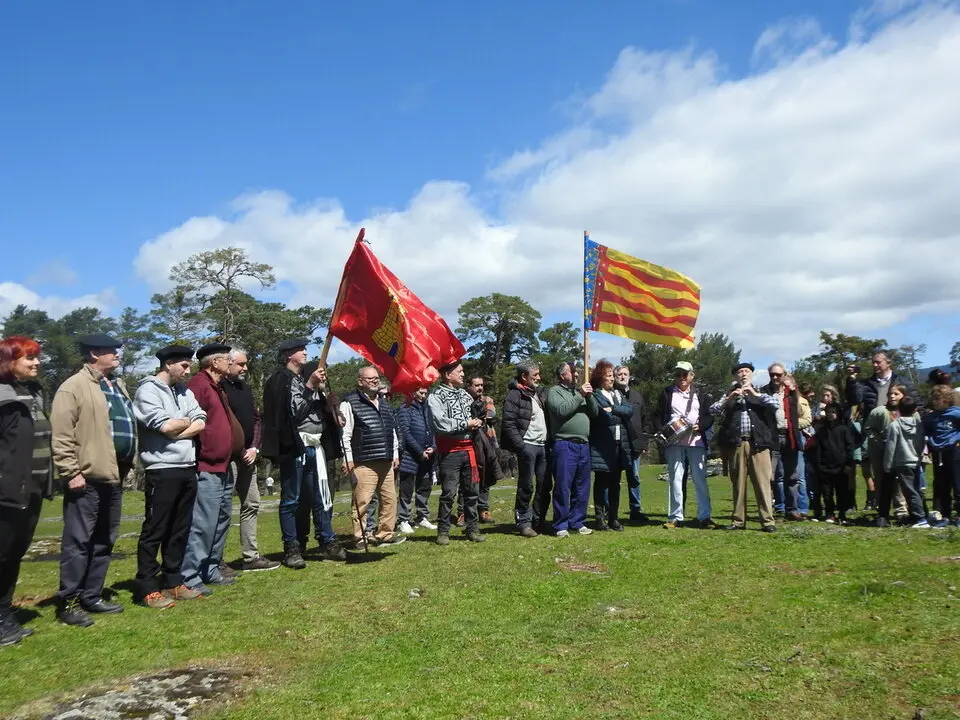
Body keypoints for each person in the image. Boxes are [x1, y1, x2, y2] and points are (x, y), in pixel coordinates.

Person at [50, 333, 136, 626]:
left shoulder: (115, 385)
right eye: (111, 351)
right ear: (92, 354)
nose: (117, 355)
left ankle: (92, 595)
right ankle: (68, 601)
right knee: (78, 541)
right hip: (85, 477)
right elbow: (61, 435)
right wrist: (70, 471)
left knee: (104, 539)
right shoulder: (72, 387)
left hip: (112, 475)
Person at [133, 346, 207, 609]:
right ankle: (146, 586)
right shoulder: (148, 391)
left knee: (180, 528)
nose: (188, 371)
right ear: (168, 364)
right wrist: (182, 424)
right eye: (184, 366)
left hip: (187, 465)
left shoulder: (184, 391)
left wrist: (179, 430)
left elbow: (200, 420)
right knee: (156, 528)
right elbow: (163, 425)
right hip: (161, 468)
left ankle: (173, 581)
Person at [262, 339, 345, 569]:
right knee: (291, 499)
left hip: (315, 446)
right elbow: (295, 413)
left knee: (320, 497)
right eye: (301, 350)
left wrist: (329, 405)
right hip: (295, 447)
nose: (305, 352)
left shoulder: (303, 380)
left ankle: (327, 540)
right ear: (289, 355)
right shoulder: (281, 381)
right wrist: (310, 386)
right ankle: (292, 547)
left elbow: (317, 413)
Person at [0, 337, 53, 645]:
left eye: (37, 358)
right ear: (9, 362)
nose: (36, 363)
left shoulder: (32, 394)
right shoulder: (4, 399)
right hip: (6, 492)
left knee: (14, 555)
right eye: (29, 359)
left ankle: (5, 612)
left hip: (29, 491)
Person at [181, 343, 245, 595]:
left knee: (221, 520)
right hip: (207, 465)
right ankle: (190, 574)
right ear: (215, 363)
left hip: (224, 464)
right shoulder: (198, 385)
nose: (231, 363)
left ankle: (211, 568)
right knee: (203, 523)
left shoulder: (217, 386)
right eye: (227, 360)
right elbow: (192, 420)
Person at [221, 348, 278, 572]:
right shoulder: (219, 388)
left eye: (246, 364)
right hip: (227, 458)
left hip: (248, 456)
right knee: (222, 508)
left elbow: (256, 419)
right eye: (241, 364)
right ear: (228, 363)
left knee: (252, 503)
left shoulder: (244, 388)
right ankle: (216, 560)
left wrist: (254, 447)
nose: (245, 368)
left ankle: (251, 556)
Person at [709, 362, 779, 532]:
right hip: (737, 444)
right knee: (738, 483)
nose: (744, 374)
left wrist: (754, 393)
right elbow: (713, 411)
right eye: (740, 372)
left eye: (747, 371)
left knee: (763, 483)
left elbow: (775, 405)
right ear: (735, 377)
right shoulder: (729, 395)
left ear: (752, 375)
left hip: (759, 444)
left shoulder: (761, 393)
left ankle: (768, 521)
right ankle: (738, 521)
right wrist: (730, 398)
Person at [339, 366, 404, 547]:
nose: (375, 381)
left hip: (386, 459)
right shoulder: (349, 403)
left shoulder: (384, 403)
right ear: (360, 381)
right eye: (370, 379)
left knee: (390, 499)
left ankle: (385, 534)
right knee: (362, 501)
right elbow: (345, 434)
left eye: (377, 378)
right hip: (363, 461)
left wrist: (395, 453)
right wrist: (348, 459)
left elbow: (391, 430)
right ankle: (360, 536)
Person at [428, 360, 485, 545]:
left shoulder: (466, 395)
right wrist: (465, 424)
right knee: (448, 493)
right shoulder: (436, 396)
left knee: (471, 492)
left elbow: (474, 417)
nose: (462, 374)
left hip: (469, 449)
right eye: (459, 371)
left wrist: (478, 420)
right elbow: (440, 423)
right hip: (450, 452)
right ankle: (443, 531)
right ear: (447, 374)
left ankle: (473, 529)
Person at [656, 361, 716, 529]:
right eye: (678, 374)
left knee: (700, 480)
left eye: (684, 374)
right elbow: (658, 415)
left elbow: (709, 415)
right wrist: (664, 430)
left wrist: (701, 426)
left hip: (696, 441)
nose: (681, 377)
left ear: (692, 375)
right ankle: (675, 517)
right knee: (675, 479)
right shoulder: (667, 393)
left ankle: (704, 516)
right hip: (674, 442)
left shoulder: (702, 394)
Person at [546, 361, 597, 537]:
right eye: (572, 372)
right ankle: (561, 524)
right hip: (564, 444)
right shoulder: (554, 392)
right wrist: (580, 395)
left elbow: (595, 413)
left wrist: (588, 397)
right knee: (563, 486)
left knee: (582, 486)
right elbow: (561, 410)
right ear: (562, 375)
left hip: (583, 444)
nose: (576, 375)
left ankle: (578, 521)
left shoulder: (579, 392)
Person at [501, 361, 549, 538]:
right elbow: (508, 423)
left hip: (543, 446)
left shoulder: (538, 394)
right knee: (526, 485)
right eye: (535, 375)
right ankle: (523, 523)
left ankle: (539, 521)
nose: (539, 378)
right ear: (524, 376)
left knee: (544, 485)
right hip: (527, 446)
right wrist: (521, 447)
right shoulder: (514, 395)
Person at [761, 362, 810, 521]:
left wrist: (795, 427)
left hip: (790, 438)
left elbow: (801, 415)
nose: (775, 377)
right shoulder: (764, 392)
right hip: (772, 439)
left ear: (784, 376)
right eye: (772, 374)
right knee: (770, 476)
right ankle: (770, 510)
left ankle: (792, 509)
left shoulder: (792, 393)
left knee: (793, 476)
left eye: (778, 374)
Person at [589, 359, 633, 532]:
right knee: (601, 483)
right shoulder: (595, 395)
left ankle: (614, 518)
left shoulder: (618, 394)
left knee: (616, 483)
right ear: (601, 378)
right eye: (609, 376)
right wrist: (617, 413)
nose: (612, 379)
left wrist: (614, 409)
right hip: (602, 445)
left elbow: (629, 411)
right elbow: (602, 416)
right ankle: (600, 518)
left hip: (619, 445)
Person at [863, 384, 909, 523]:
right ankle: (882, 510)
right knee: (882, 479)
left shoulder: (908, 411)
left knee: (899, 481)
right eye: (890, 394)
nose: (892, 396)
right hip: (880, 451)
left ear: (903, 396)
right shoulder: (879, 411)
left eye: (896, 394)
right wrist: (878, 440)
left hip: (902, 451)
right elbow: (868, 428)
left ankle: (901, 509)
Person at [882, 397, 930, 528]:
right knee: (917, 489)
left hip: (902, 462)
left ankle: (920, 519)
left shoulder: (895, 425)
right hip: (916, 461)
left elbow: (891, 446)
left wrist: (887, 465)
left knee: (910, 491)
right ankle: (919, 516)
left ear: (898, 409)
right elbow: (921, 443)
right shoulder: (918, 425)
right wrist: (918, 455)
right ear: (915, 410)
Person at [396, 387, 437, 534]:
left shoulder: (427, 409)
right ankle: (403, 519)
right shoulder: (405, 408)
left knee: (424, 486)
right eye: (420, 393)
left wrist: (433, 446)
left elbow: (432, 428)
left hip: (427, 455)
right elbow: (405, 433)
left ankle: (422, 516)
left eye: (426, 393)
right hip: (410, 455)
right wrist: (419, 451)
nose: (423, 396)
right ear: (412, 392)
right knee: (406, 489)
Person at [922, 384, 960, 528]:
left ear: (946, 399)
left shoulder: (956, 413)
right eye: (934, 399)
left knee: (957, 484)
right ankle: (945, 515)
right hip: (939, 453)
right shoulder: (931, 417)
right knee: (942, 485)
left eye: (938, 399)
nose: (935, 402)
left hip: (954, 451)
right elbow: (925, 430)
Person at [614, 365, 649, 523]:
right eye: (619, 374)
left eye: (625, 374)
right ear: (614, 377)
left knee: (634, 478)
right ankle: (611, 512)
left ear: (629, 376)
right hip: (615, 443)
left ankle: (635, 510)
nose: (622, 376)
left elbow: (644, 421)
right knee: (613, 479)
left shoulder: (637, 397)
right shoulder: (610, 394)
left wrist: (644, 442)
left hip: (634, 444)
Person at [812, 403, 855, 524]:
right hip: (825, 467)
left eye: (833, 412)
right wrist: (819, 465)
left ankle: (842, 515)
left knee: (842, 492)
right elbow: (818, 449)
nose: (830, 415)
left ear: (838, 414)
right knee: (827, 493)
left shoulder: (844, 429)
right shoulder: (821, 431)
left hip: (841, 468)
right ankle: (830, 514)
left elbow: (849, 448)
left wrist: (848, 465)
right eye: (828, 412)